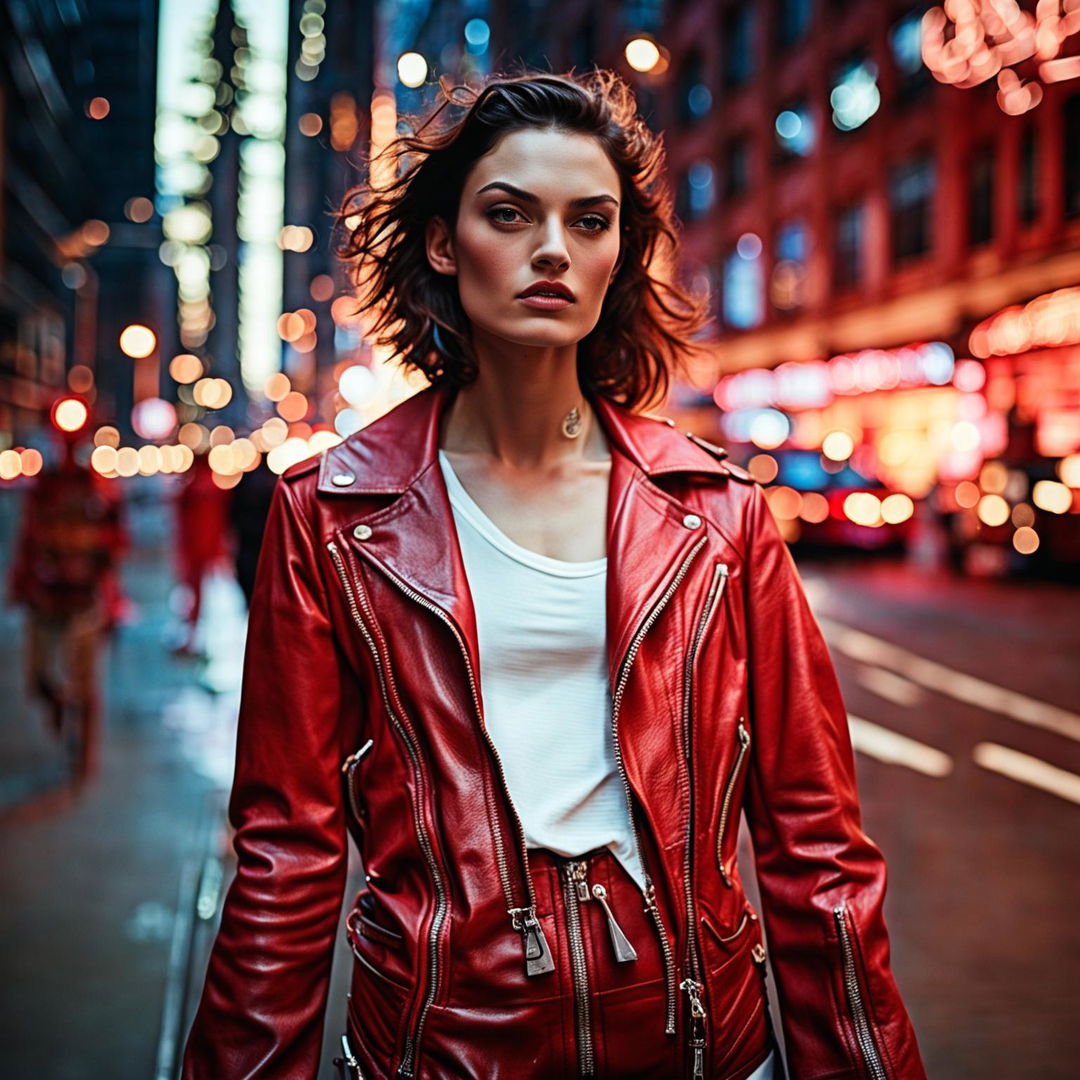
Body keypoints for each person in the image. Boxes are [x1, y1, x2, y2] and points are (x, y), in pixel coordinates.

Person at [183, 72, 926, 1079]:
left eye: (590, 221)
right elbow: (287, 854)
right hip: (438, 1049)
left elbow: (815, 847)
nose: (552, 250)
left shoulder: (716, 517)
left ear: (619, 256)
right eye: (508, 213)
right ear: (443, 243)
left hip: (699, 1041)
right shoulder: (332, 516)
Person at [8, 431, 125, 781]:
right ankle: (58, 704)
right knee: (39, 675)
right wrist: (23, 582)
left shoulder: (99, 486)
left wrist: (103, 578)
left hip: (85, 597)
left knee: (86, 679)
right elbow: (29, 536)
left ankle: (84, 759)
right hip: (46, 596)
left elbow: (117, 537)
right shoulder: (45, 487)